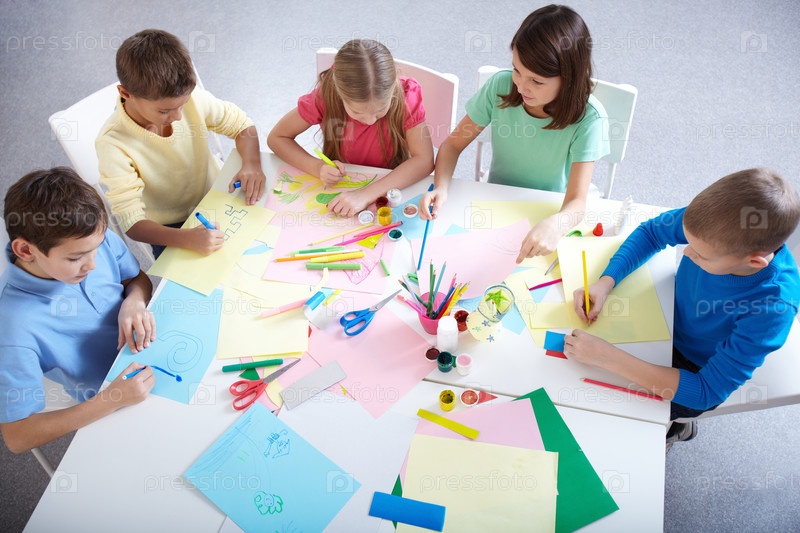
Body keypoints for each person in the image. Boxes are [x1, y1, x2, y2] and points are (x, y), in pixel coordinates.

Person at [563, 168, 800, 448]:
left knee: (616, 417)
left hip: (694, 367)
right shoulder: (715, 223)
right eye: (689, 242)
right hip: (667, 313)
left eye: (701, 255)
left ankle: (675, 429)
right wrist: (606, 281)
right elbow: (652, 232)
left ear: (754, 262)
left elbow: (705, 392)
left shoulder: (773, 308)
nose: (686, 252)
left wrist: (609, 358)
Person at [419, 5, 609, 262]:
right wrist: (441, 186)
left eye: (536, 81)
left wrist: (558, 224)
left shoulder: (589, 118)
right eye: (517, 70)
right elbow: (452, 145)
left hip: (548, 210)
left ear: (569, 79)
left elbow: (577, 201)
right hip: (497, 199)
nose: (521, 86)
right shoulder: (500, 85)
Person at [0, 168, 157, 453]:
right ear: (25, 251)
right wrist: (111, 399)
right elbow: (17, 436)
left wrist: (134, 300)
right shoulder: (13, 329)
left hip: (155, 351)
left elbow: (136, 280)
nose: (92, 264)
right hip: (112, 399)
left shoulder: (89, 238)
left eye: (96, 248)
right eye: (75, 258)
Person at [96, 29, 266, 258]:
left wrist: (252, 164)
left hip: (216, 196)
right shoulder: (112, 144)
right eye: (164, 111)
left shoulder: (192, 99)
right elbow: (132, 222)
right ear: (125, 94)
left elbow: (242, 126)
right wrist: (187, 238)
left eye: (182, 105)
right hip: (168, 230)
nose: (177, 116)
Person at [267, 38, 434, 218]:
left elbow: (424, 160)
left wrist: (366, 195)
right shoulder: (325, 97)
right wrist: (317, 167)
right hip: (342, 184)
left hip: (393, 185)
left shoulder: (406, 97)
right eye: (357, 112)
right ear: (339, 94)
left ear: (393, 89)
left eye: (379, 111)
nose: (369, 121)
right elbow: (277, 138)